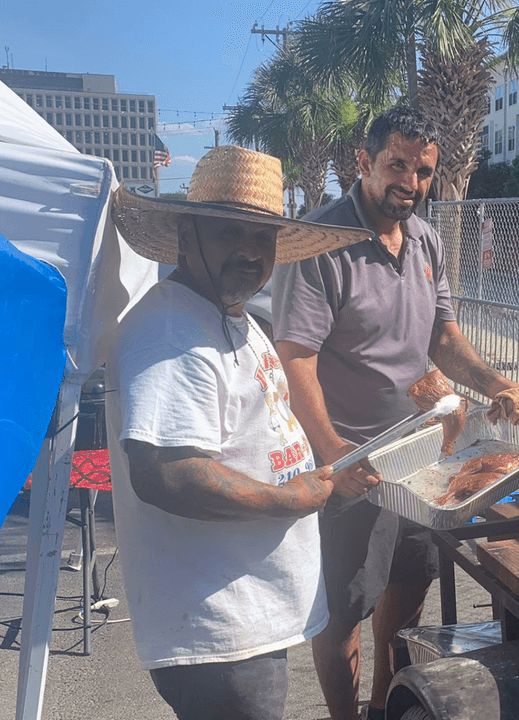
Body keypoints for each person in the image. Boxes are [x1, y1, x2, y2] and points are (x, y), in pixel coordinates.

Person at [246, 106, 519, 720]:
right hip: (353, 464)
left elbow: (442, 337)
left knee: (408, 594)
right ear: (365, 162)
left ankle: (386, 704)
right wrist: (332, 453)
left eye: (424, 171)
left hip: (422, 459)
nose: (411, 182)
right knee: (343, 610)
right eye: (397, 165)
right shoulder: (320, 243)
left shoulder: (427, 240)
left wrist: (495, 382)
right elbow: (295, 355)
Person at [105, 145, 373, 720]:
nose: (250, 253)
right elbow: (165, 472)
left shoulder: (229, 316)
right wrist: (288, 500)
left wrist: (320, 468)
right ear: (186, 236)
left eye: (263, 239)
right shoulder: (173, 330)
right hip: (217, 631)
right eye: (230, 233)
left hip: (244, 615)